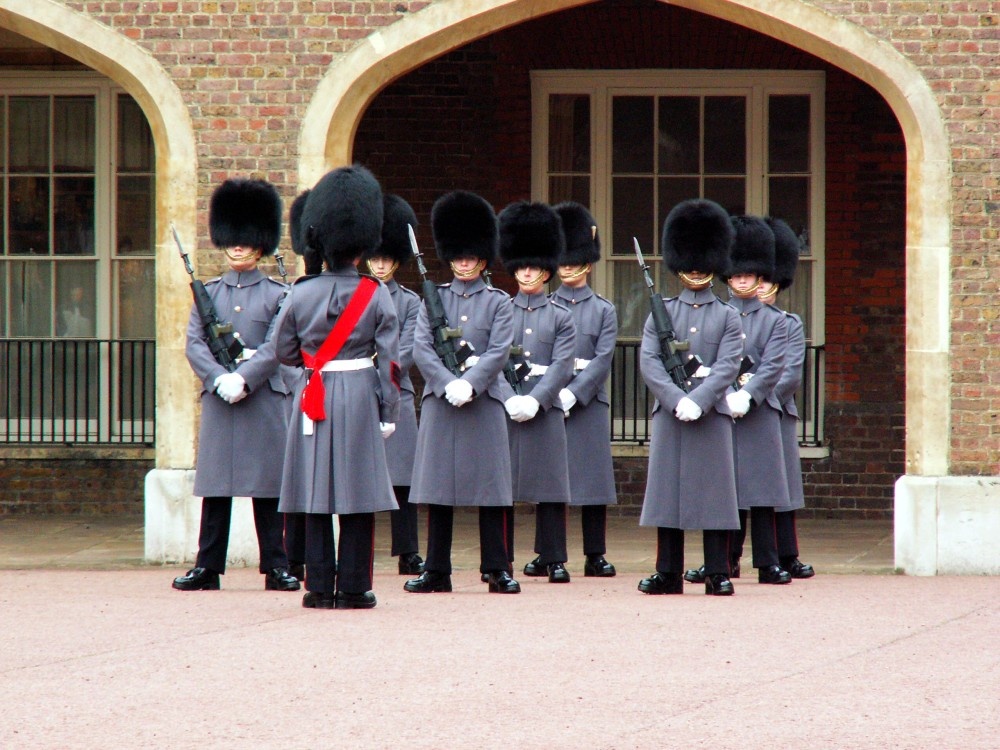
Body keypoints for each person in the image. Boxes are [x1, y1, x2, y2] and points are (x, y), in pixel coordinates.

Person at [273, 165, 401, 610]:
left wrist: (313, 366)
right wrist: (391, 412)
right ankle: (353, 587)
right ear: (362, 242)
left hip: (314, 396)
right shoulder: (375, 292)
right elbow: (390, 361)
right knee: (358, 495)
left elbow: (283, 350)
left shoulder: (300, 292)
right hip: (360, 394)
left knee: (313, 495)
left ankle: (317, 587)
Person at [172, 177, 300, 594]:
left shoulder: (279, 293)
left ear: (259, 243)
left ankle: (276, 565)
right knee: (217, 488)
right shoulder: (209, 293)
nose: (238, 247)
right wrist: (218, 378)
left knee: (266, 489)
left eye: (246, 241)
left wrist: (243, 378)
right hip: (221, 401)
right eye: (233, 240)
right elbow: (194, 344)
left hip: (261, 399)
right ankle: (208, 565)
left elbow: (277, 345)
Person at [404, 190, 520, 595]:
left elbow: (499, 349)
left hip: (483, 403)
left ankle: (496, 567)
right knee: (438, 490)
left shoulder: (499, 303)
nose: (465, 262)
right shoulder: (433, 299)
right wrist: (445, 382)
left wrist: (469, 383)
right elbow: (421, 346)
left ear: (483, 258)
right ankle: (436, 569)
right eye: (459, 256)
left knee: (491, 490)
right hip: (442, 404)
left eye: (471, 256)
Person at [636, 198, 742, 597]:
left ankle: (717, 570)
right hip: (670, 414)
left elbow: (729, 364)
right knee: (668, 494)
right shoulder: (659, 312)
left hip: (710, 413)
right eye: (690, 261)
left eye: (702, 261)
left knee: (714, 494)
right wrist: (673, 398)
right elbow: (649, 362)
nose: (696, 269)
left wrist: (699, 398)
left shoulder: (728, 316)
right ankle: (668, 571)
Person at [688, 215, 793, 585]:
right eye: (736, 275)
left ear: (759, 276)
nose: (742, 280)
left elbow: (774, 365)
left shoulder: (776, 321)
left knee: (762, 492)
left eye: (748, 275)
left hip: (759, 411)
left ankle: (767, 562)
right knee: (722, 490)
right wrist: (725, 392)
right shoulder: (717, 316)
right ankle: (723, 560)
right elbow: (709, 362)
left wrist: (748, 394)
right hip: (721, 407)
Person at [496, 200, 575, 584]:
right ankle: (502, 557)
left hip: (544, 406)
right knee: (502, 487)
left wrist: (537, 399)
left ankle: (553, 556)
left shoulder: (561, 315)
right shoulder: (501, 311)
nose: (527, 272)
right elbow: (489, 360)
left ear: (546, 270)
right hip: (507, 403)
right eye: (522, 266)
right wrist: (508, 397)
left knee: (550, 485)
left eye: (534, 266)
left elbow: (562, 365)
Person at [551, 202, 619, 577]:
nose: (568, 267)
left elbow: (602, 358)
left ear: (587, 264)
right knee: (553, 482)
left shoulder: (603, 310)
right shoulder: (545, 305)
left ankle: (595, 554)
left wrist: (574, 393)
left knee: (593, 483)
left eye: (574, 260)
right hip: (550, 398)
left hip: (588, 402)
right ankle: (551, 553)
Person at [362, 194, 426, 576]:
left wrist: (378, 372)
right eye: (376, 257)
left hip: (397, 393)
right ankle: (361, 546)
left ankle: (408, 549)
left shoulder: (411, 302)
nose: (382, 264)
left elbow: (411, 347)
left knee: (404, 478)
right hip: (355, 392)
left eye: (387, 258)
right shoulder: (355, 293)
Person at [762, 217, 815, 579]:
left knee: (779, 488)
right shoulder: (730, 319)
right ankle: (727, 556)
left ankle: (787, 553)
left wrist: (754, 399)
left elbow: (789, 374)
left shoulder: (789, 323)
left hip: (774, 412)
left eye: (768, 279)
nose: (762, 285)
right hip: (732, 410)